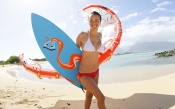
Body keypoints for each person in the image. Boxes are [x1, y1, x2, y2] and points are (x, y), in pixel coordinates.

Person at [76, 11, 106, 109]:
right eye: (91, 20)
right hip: (84, 74)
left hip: (96, 72)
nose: (94, 23)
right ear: (88, 22)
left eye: (96, 20)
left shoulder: (100, 36)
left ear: (100, 21)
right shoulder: (82, 35)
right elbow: (74, 53)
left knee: (89, 96)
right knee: (101, 98)